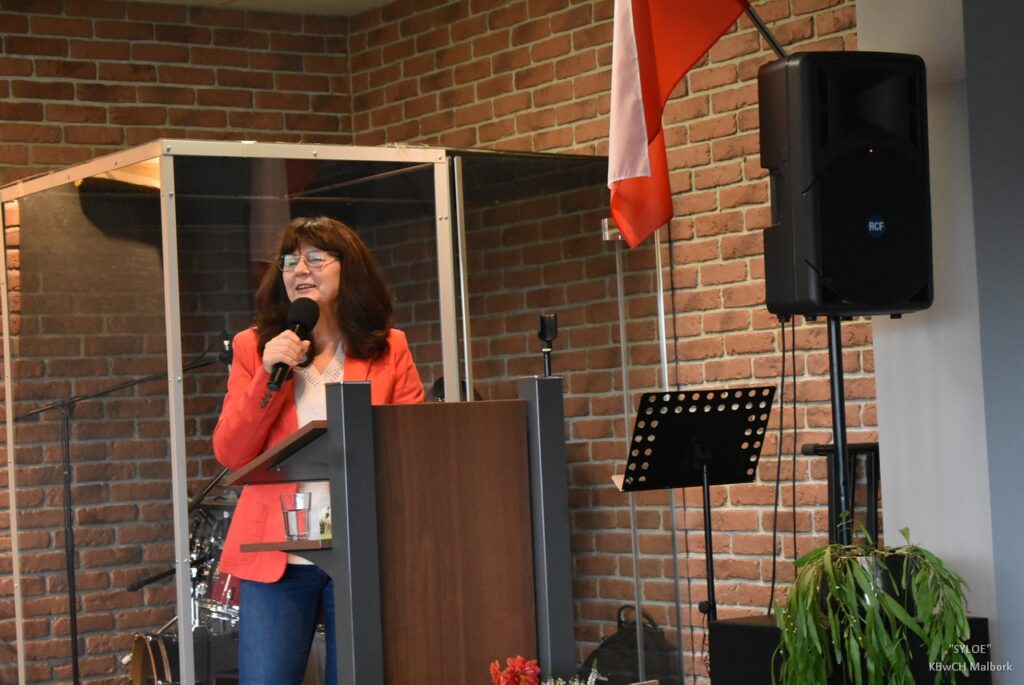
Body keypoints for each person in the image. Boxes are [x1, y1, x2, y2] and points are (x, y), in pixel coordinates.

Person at [212, 216, 424, 685]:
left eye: (315, 258)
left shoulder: (388, 348)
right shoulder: (255, 346)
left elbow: (413, 446)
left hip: (363, 548)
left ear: (350, 268)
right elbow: (231, 452)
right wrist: (268, 375)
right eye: (290, 261)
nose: (300, 269)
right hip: (278, 555)